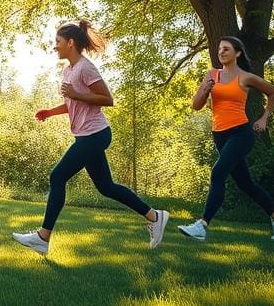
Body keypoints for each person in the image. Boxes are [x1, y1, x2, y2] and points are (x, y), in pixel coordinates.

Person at [12, 20, 168, 255]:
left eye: (58, 42)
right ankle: (155, 216)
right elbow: (71, 102)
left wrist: (78, 93)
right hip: (86, 136)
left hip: (95, 135)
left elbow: (107, 99)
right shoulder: (69, 69)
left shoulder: (86, 68)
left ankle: (43, 238)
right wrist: (50, 112)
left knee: (57, 177)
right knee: (106, 187)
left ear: (70, 42)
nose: (55, 46)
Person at [179, 36, 274, 242]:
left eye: (226, 49)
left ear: (237, 53)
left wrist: (264, 118)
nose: (221, 52)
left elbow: (273, 93)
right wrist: (205, 91)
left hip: (241, 133)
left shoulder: (245, 77)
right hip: (219, 135)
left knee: (218, 173)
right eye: (219, 49)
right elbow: (196, 105)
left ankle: (202, 225)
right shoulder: (212, 75)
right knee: (245, 183)